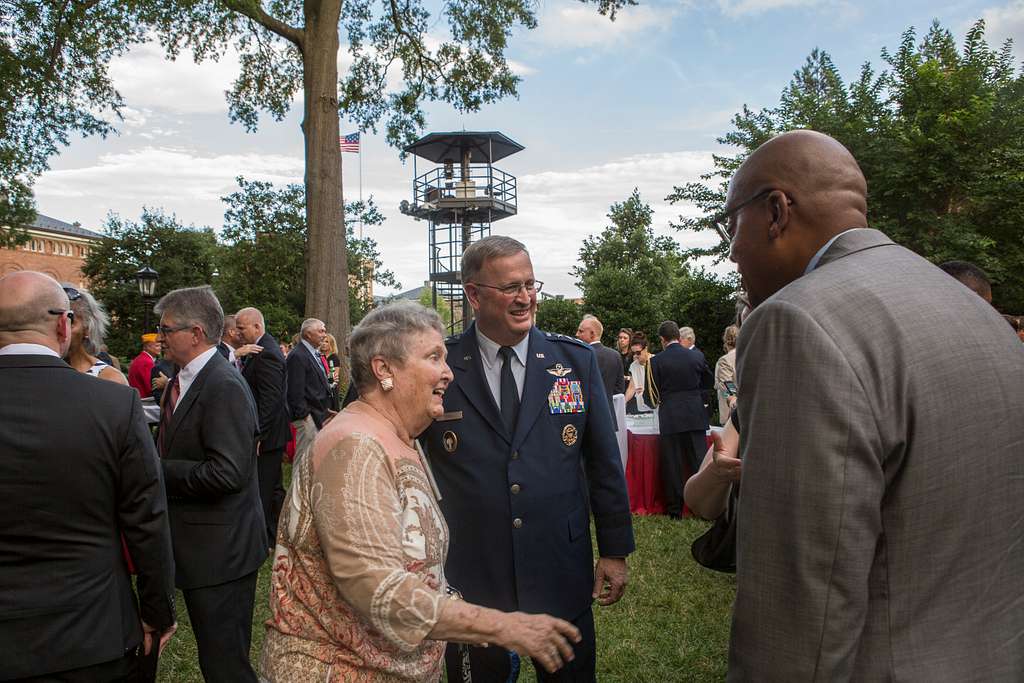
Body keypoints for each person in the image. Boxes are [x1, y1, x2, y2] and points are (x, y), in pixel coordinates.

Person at [723, 129, 1024, 681]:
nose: (733, 251)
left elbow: (802, 600)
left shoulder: (798, 321)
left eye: (731, 225)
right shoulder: (976, 311)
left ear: (775, 211)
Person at [261, 301, 581, 681]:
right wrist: (502, 627)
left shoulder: (401, 438)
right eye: (434, 357)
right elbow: (375, 584)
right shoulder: (356, 447)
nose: (448, 373)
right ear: (384, 369)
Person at [421, 235, 635, 681]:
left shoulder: (573, 361)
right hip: (473, 573)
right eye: (510, 288)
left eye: (529, 284)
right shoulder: (439, 365)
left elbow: (603, 463)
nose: (525, 298)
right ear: (474, 294)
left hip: (559, 566)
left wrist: (615, 551)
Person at [0, 271, 177, 680]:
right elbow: (147, 519)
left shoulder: (115, 403)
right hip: (92, 631)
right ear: (64, 324)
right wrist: (156, 611)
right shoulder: (113, 406)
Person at [154, 285, 266, 682]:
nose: (159, 338)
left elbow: (228, 473)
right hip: (204, 548)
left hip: (223, 554)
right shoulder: (182, 380)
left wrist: (157, 470)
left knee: (225, 666)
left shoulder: (222, 386)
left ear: (196, 333)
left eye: (166, 330)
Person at [644, 320, 712, 518]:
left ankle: (675, 510)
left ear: (662, 340)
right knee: (699, 461)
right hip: (694, 413)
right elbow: (707, 381)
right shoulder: (696, 356)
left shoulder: (656, 361)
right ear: (679, 337)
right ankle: (704, 505)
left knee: (672, 464)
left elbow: (651, 396)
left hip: (670, 415)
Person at [236, 306, 291, 548]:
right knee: (273, 486)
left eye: (241, 327)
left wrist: (259, 436)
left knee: (264, 488)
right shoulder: (261, 349)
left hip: (268, 435)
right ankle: (279, 531)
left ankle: (267, 537)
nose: (238, 333)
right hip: (270, 433)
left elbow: (270, 400)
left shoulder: (266, 352)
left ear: (257, 327)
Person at [286, 317, 335, 464]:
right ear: (308, 334)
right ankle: (297, 487)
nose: (324, 335)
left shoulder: (313, 353)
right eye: (320, 331)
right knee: (303, 461)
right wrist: (305, 416)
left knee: (313, 460)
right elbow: (295, 390)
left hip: (319, 415)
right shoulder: (298, 355)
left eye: (325, 331)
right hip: (309, 419)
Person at [62, 284, 128, 385]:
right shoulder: (37, 372)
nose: (60, 328)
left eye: (70, 321)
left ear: (88, 328)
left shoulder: (109, 379)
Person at [576, 314, 625, 428]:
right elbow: (619, 388)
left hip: (585, 419)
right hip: (608, 417)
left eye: (581, 331)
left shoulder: (580, 354)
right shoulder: (615, 355)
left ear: (592, 334)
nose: (577, 334)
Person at [624, 332, 654, 415]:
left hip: (655, 407)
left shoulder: (655, 361)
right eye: (633, 353)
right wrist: (623, 402)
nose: (635, 356)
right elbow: (631, 388)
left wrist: (645, 390)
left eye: (638, 352)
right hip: (641, 408)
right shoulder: (633, 366)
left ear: (646, 349)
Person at [713, 325, 738, 425]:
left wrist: (732, 400)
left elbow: (727, 386)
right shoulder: (749, 355)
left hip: (732, 411)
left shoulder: (725, 360)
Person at [128, 332, 161, 397]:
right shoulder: (146, 362)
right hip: (145, 401)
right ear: (147, 347)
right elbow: (151, 387)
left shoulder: (141, 358)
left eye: (160, 346)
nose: (160, 348)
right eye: (157, 346)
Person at [320, 331, 342, 409]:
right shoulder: (319, 356)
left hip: (331, 388)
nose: (324, 343)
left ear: (331, 344)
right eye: (322, 341)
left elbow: (335, 377)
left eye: (326, 342)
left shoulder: (334, 357)